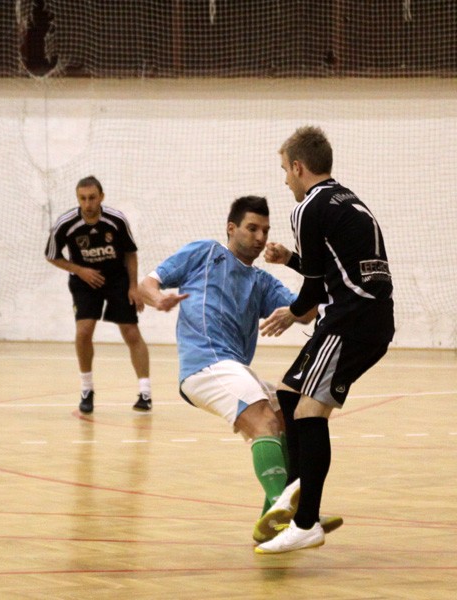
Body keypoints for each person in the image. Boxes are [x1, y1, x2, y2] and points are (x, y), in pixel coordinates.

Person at [138, 195, 343, 542]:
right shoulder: (204, 252)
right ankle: (289, 510)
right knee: (264, 419)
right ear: (231, 228)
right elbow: (148, 283)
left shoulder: (262, 282)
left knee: (289, 421)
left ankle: (272, 522)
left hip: (232, 368)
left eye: (265, 230)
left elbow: (308, 311)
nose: (260, 237)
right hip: (205, 365)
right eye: (252, 228)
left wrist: (294, 265)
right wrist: (158, 299)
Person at [254, 126, 394, 554]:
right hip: (367, 316)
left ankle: (306, 521)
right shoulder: (347, 200)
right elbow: (334, 267)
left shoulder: (307, 208)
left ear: (299, 167)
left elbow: (314, 291)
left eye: (285, 170)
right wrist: (290, 259)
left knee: (310, 412)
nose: (285, 180)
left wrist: (290, 314)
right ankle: (299, 493)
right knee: (288, 393)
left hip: (351, 321)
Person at [45, 175, 152, 414]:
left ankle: (145, 393)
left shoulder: (116, 220)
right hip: (85, 282)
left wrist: (133, 287)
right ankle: (87, 389)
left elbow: (130, 253)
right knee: (84, 332)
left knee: (131, 331)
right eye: (82, 198)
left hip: (117, 279)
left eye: (92, 198)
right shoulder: (66, 223)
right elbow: (52, 255)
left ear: (101, 197)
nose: (88, 203)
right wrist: (80, 270)